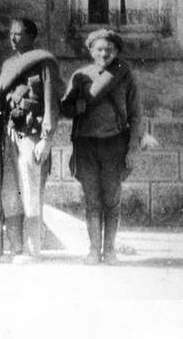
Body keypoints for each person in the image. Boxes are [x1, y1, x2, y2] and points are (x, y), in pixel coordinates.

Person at [61, 29, 143, 265]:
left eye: (109, 49)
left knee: (112, 199)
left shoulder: (124, 74)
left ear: (116, 51)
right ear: (91, 51)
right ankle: (94, 250)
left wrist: (133, 148)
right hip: (86, 145)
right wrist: (75, 106)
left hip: (114, 144)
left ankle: (110, 250)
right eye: (99, 49)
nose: (104, 53)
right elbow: (65, 107)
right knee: (92, 200)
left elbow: (136, 114)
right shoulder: (80, 75)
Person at [0, 19, 62, 262]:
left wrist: (46, 139)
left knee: (31, 190)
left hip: (32, 134)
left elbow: (51, 102)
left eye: (19, 35)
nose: (14, 39)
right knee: (11, 191)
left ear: (32, 37)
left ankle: (33, 251)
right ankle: (15, 248)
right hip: (11, 134)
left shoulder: (44, 62)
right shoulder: (8, 64)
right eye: (11, 34)